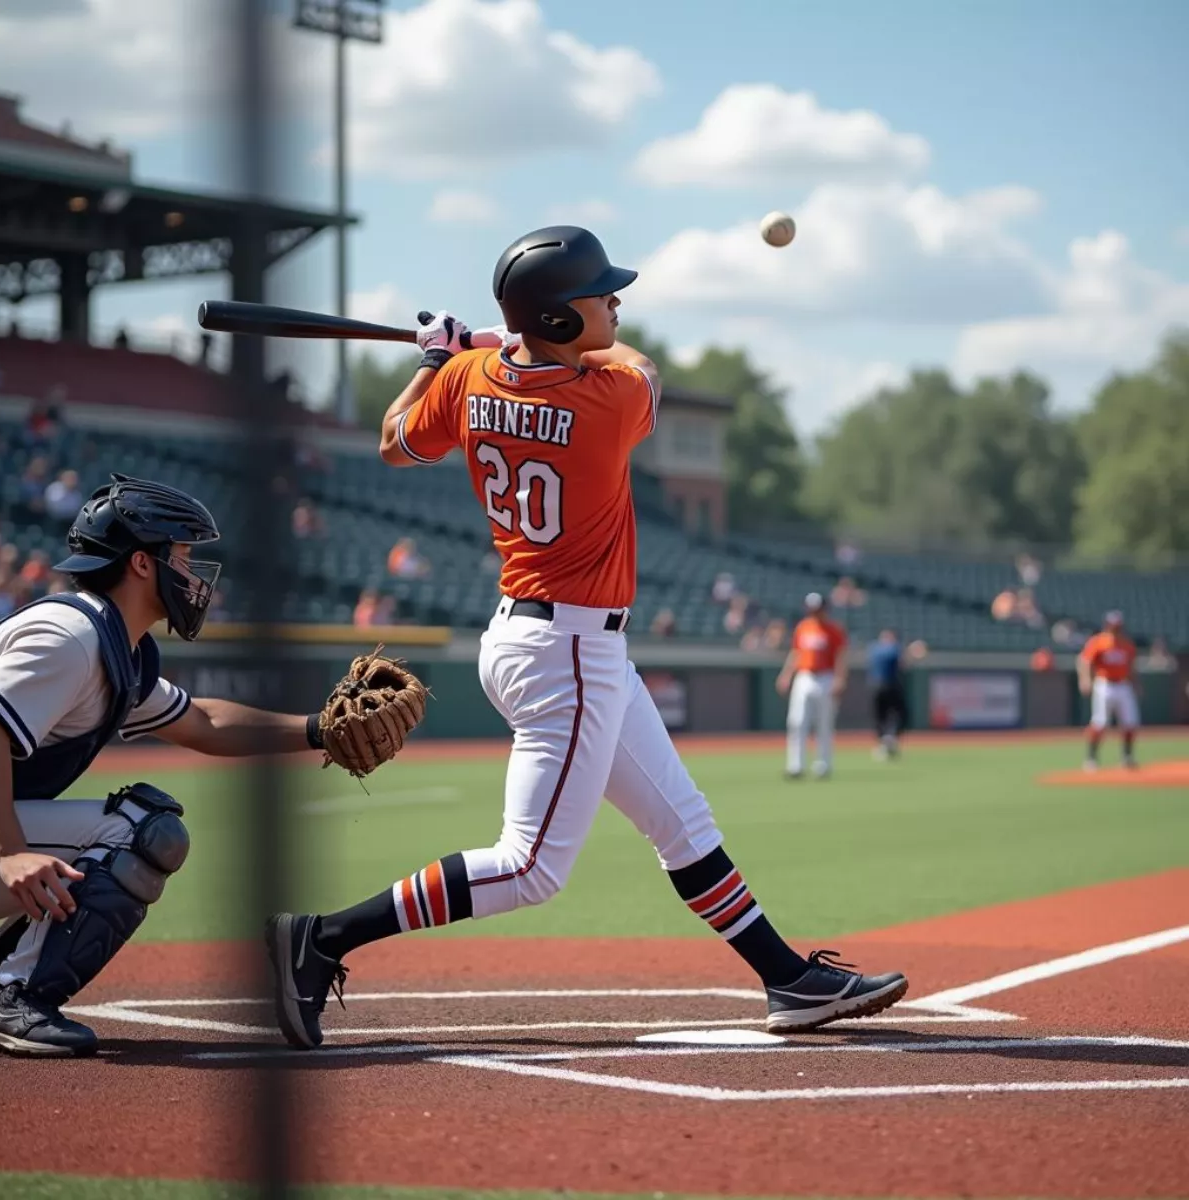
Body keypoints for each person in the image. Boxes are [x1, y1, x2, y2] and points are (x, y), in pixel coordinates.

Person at [264, 225, 907, 1051]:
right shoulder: (605, 400)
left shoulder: (465, 379)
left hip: (545, 639)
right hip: (564, 651)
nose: (615, 302)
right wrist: (503, 343)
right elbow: (642, 366)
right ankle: (320, 940)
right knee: (530, 867)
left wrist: (438, 357)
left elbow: (393, 442)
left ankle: (786, 977)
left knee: (682, 821)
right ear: (560, 323)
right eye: (601, 295)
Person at [0, 474, 331, 1056]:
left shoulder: (114, 645)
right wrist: (9, 849)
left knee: (141, 828)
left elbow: (203, 722)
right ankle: (7, 991)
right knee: (138, 831)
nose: (193, 575)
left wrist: (320, 730)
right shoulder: (69, 636)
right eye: (184, 555)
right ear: (143, 564)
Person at [775, 593, 848, 780]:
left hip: (826, 677)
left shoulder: (834, 630)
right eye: (811, 609)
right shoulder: (803, 627)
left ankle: (823, 765)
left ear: (825, 609)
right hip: (804, 676)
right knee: (797, 721)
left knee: (824, 724)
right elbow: (796, 653)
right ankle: (795, 766)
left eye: (818, 609)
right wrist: (786, 675)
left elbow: (840, 656)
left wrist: (840, 679)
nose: (814, 612)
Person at [1077, 610, 1140, 771]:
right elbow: (1085, 661)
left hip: (1123, 685)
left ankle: (1127, 757)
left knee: (1130, 722)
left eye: (1118, 626)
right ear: (1107, 625)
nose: (1115, 629)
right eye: (1113, 626)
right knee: (1099, 722)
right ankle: (1091, 758)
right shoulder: (1098, 642)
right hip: (1104, 685)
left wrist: (1137, 684)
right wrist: (1085, 679)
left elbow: (1132, 667)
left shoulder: (1127, 644)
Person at [867, 628, 907, 761]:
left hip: (876, 686)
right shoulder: (892, 649)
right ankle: (888, 740)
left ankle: (885, 741)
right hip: (890, 685)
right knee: (898, 714)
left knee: (881, 717)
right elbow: (902, 663)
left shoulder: (873, 648)